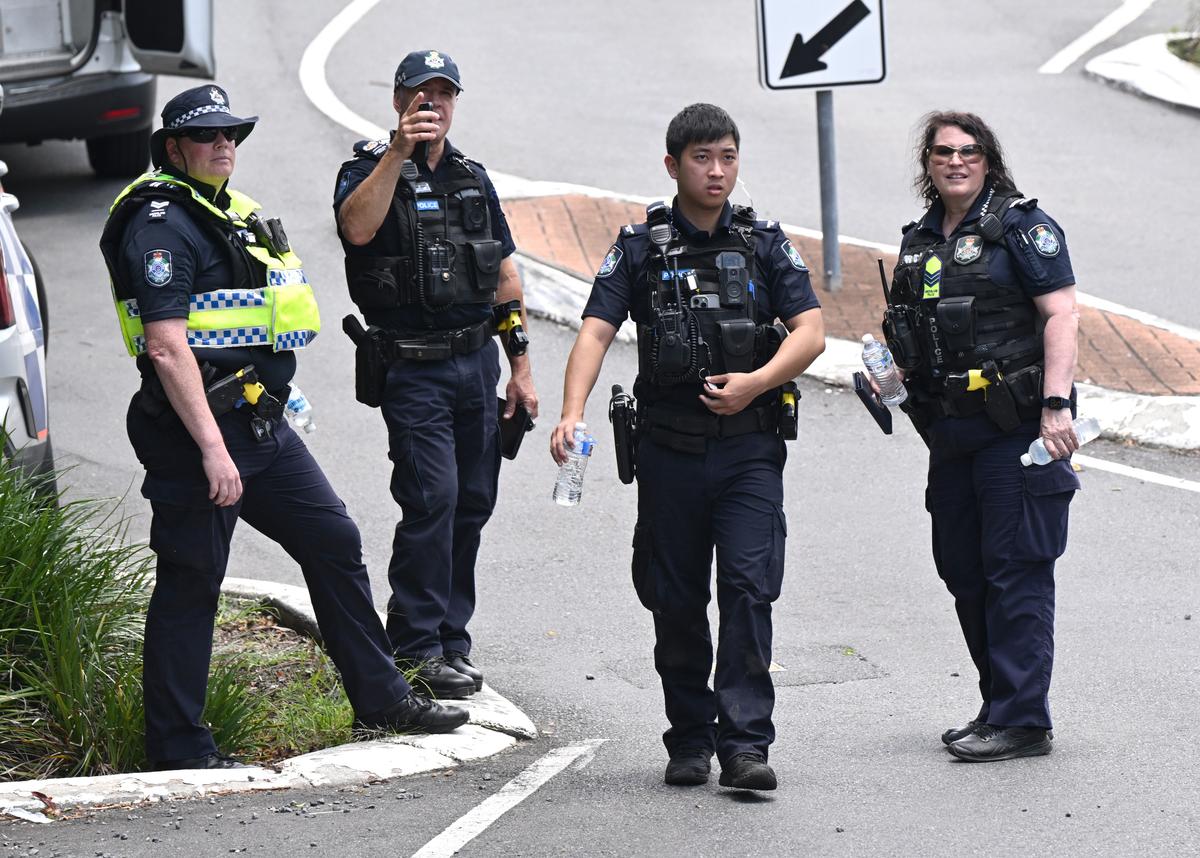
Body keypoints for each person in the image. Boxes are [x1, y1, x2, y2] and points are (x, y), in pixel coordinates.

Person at [99, 85, 469, 771]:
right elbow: (166, 346)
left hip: (258, 422)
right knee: (192, 581)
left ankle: (383, 701)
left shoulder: (221, 211)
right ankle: (178, 749)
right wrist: (212, 448)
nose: (224, 145)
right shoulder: (159, 223)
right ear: (174, 147)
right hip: (197, 431)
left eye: (232, 134)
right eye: (209, 136)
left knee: (332, 538)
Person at [552, 104, 825, 791]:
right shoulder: (642, 244)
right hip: (669, 453)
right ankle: (689, 738)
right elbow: (594, 330)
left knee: (746, 590)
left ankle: (744, 745)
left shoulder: (762, 241)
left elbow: (811, 332)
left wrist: (755, 383)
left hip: (749, 451)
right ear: (674, 165)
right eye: (703, 158)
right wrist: (569, 414)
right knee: (674, 599)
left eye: (728, 157)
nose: (717, 171)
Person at [334, 51, 538, 700]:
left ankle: (453, 639)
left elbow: (505, 274)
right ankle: (417, 648)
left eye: (444, 94)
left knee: (473, 502)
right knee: (432, 499)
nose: (433, 105)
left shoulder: (472, 178)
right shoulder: (366, 169)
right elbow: (357, 229)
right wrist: (396, 153)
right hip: (412, 365)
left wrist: (522, 370)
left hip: (477, 363)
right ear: (398, 102)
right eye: (421, 95)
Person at [882, 110, 1081, 762]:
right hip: (950, 431)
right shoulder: (918, 241)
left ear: (988, 160)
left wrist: (1056, 408)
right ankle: (998, 703)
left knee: (1014, 568)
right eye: (943, 152)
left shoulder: (1021, 228)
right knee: (963, 568)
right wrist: (890, 376)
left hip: (1014, 428)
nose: (956, 161)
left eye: (969, 152)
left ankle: (1023, 719)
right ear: (928, 164)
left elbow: (1061, 314)